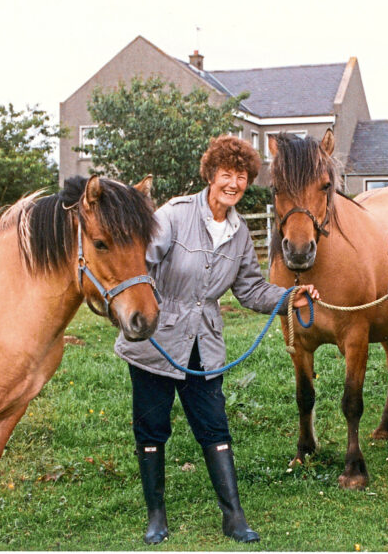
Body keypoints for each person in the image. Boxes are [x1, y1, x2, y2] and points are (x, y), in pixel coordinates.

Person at [114, 135, 318, 545]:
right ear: (211, 174)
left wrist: (287, 298)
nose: (234, 183)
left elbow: (249, 289)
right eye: (226, 173)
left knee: (215, 428)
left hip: (203, 347)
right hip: (155, 342)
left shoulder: (240, 233)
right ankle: (156, 518)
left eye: (242, 176)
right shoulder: (174, 214)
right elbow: (140, 263)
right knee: (151, 430)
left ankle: (234, 518)